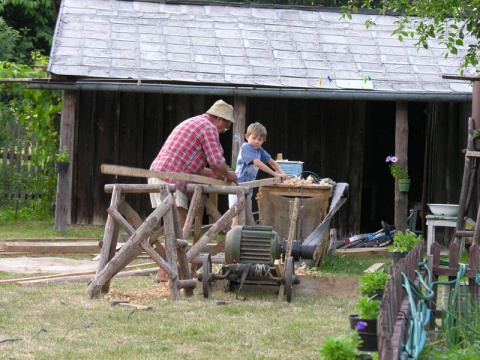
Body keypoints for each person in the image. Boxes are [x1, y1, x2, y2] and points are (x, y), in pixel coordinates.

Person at [149, 99, 238, 282]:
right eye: (226, 127)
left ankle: (164, 273)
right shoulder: (209, 127)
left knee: (173, 227)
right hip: (171, 179)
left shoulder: (193, 122)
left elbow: (196, 166)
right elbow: (215, 161)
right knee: (178, 228)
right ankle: (165, 274)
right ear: (219, 120)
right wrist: (228, 174)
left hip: (160, 173)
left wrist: (217, 174)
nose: (223, 131)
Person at [228, 122, 287, 228]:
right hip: (237, 186)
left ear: (263, 141)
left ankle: (244, 239)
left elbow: (272, 162)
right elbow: (257, 163)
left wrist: (282, 172)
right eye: (254, 138)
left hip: (248, 187)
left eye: (259, 140)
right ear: (247, 137)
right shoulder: (246, 147)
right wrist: (275, 175)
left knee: (246, 215)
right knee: (235, 218)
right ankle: (232, 241)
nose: (256, 141)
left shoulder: (260, 151)